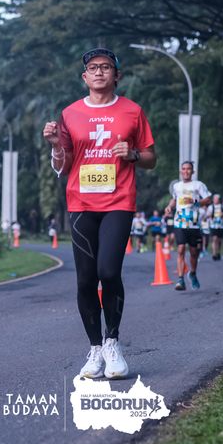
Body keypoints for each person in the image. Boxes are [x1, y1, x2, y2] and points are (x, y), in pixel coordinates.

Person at [42, 47, 156, 380]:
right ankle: (94, 349)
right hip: (81, 203)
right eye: (93, 68)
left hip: (118, 200)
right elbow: (63, 166)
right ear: (85, 77)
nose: (99, 72)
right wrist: (55, 144)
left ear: (116, 75)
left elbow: (151, 158)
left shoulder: (132, 111)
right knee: (85, 279)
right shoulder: (70, 113)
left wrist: (133, 154)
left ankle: (112, 342)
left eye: (106, 67)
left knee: (108, 271)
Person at [164, 162, 211, 291]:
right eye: (183, 169)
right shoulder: (177, 186)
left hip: (193, 223)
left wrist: (195, 201)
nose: (186, 171)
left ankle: (193, 273)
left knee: (194, 252)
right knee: (180, 249)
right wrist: (169, 207)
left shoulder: (198, 185)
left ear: (192, 171)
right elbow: (174, 199)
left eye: (188, 169)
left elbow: (208, 199)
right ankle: (180, 279)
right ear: (181, 171)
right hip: (179, 222)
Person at [208, 194, 223, 261]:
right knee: (214, 239)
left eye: (217, 199)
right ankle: (214, 253)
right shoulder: (210, 207)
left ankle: (218, 252)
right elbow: (208, 214)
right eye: (215, 199)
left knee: (219, 240)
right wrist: (210, 215)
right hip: (213, 225)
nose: (216, 200)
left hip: (220, 225)